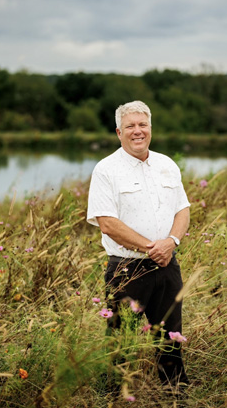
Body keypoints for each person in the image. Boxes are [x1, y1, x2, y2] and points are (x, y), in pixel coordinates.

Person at [87, 100, 191, 393]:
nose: (137, 131)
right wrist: (151, 247)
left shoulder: (166, 164)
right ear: (119, 132)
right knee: (120, 341)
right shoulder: (106, 169)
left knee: (170, 336)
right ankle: (112, 396)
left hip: (167, 266)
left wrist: (170, 243)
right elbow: (107, 222)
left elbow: (183, 210)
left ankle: (175, 393)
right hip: (127, 269)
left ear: (150, 128)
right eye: (130, 126)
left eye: (142, 124)